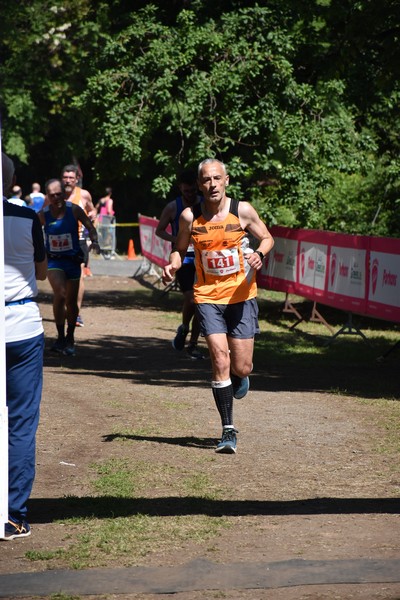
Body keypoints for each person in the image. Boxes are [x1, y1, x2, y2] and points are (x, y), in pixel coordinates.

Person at [162, 159, 274, 454]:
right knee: (219, 359)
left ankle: (241, 374)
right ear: (199, 185)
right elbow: (179, 248)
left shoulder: (243, 211)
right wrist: (173, 264)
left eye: (216, 178)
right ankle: (228, 430)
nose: (211, 184)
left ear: (226, 180)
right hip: (208, 296)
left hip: (242, 296)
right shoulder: (190, 217)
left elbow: (267, 238)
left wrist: (259, 254)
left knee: (241, 365)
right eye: (205, 180)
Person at [1, 152, 47, 540]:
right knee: (20, 423)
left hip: (18, 325)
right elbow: (42, 271)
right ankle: (13, 512)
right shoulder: (29, 218)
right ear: (12, 180)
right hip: (21, 325)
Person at [39, 178, 100, 356]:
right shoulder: (43, 214)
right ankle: (60, 337)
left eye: (59, 194)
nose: (57, 198)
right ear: (47, 196)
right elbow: (32, 231)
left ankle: (70, 337)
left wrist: (95, 240)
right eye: (52, 195)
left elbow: (89, 225)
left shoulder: (73, 210)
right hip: (54, 261)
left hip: (72, 260)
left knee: (71, 303)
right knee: (61, 293)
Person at [156, 169, 204, 360]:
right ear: (180, 189)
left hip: (203, 258)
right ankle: (184, 328)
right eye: (186, 192)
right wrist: (177, 238)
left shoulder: (205, 205)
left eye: (193, 191)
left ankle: (193, 344)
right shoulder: (172, 207)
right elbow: (160, 230)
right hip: (182, 257)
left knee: (202, 302)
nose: (190, 195)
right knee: (192, 299)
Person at [61, 164, 96, 320]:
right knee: (62, 278)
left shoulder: (84, 195)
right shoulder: (54, 195)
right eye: (65, 177)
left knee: (79, 276)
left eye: (71, 178)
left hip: (79, 240)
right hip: (59, 242)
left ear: (76, 180)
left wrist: (92, 216)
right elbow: (44, 213)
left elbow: (92, 209)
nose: (68, 181)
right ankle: (64, 308)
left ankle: (75, 313)